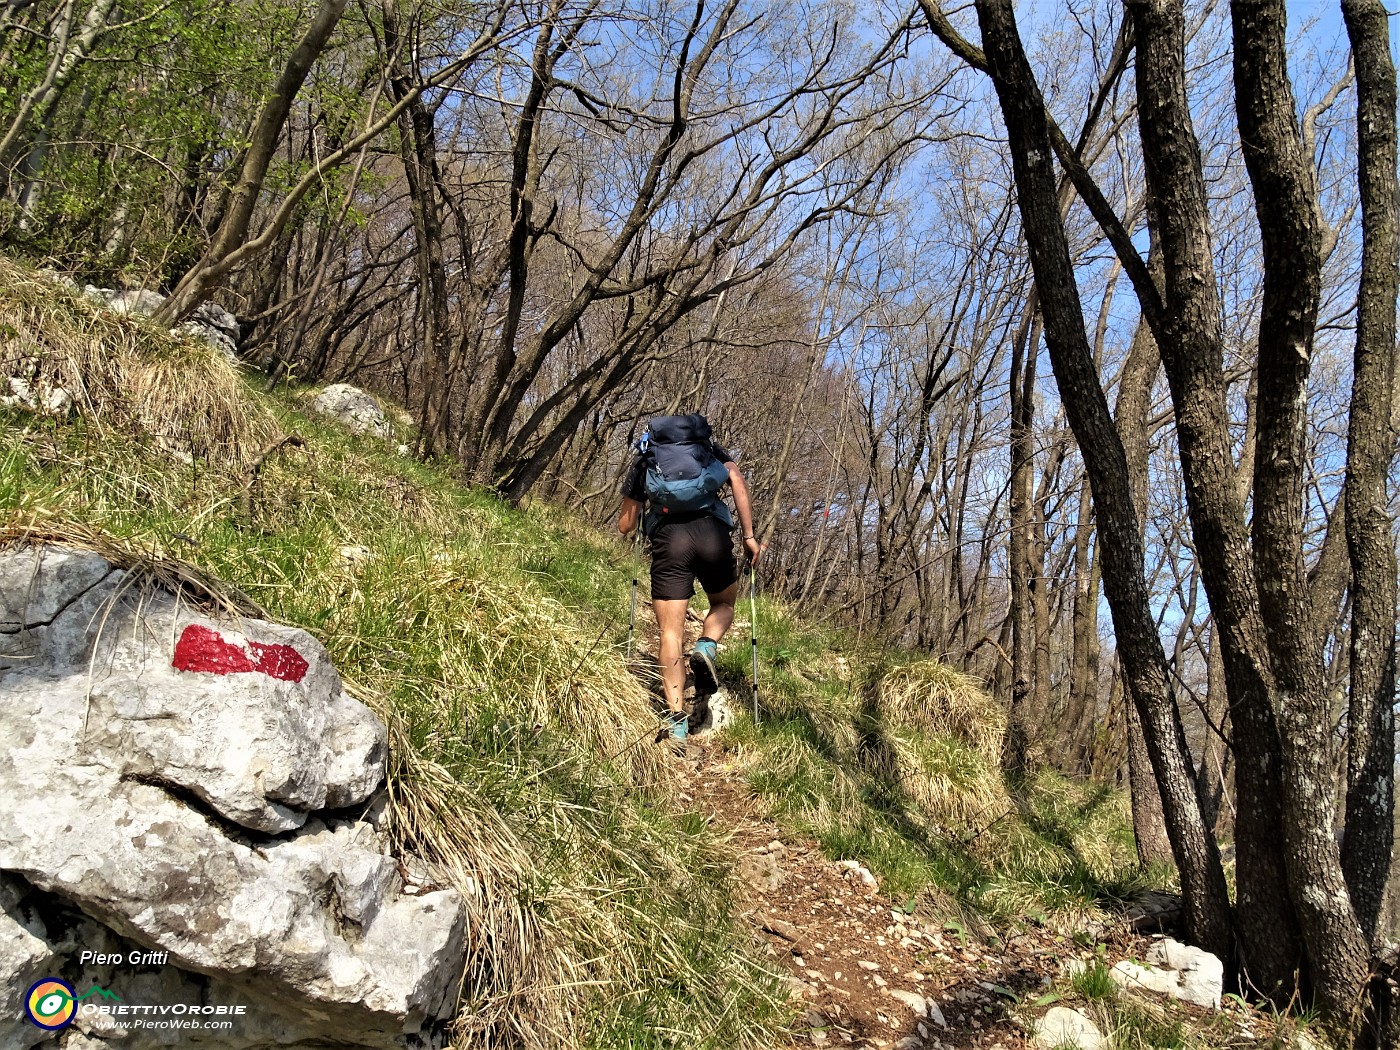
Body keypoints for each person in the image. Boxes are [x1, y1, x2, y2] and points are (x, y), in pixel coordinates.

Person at [617, 414, 761, 742]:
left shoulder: (646, 460)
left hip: (670, 541)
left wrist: (641, 514)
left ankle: (677, 722)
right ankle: (706, 647)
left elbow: (625, 525)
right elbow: (736, 479)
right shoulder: (709, 451)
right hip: (712, 534)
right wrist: (750, 536)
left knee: (670, 632)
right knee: (724, 603)